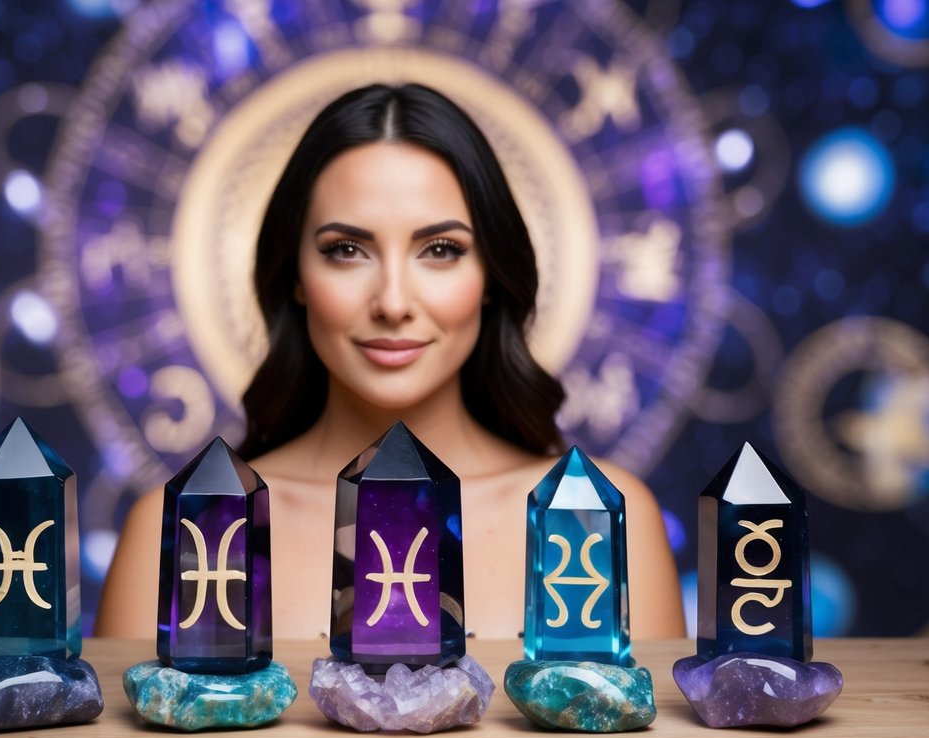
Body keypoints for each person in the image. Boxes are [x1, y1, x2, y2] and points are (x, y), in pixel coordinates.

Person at [95, 83, 684, 640]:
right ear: (295, 276)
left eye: (441, 250)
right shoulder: (189, 527)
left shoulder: (595, 519)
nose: (394, 303)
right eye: (346, 250)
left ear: (490, 276)